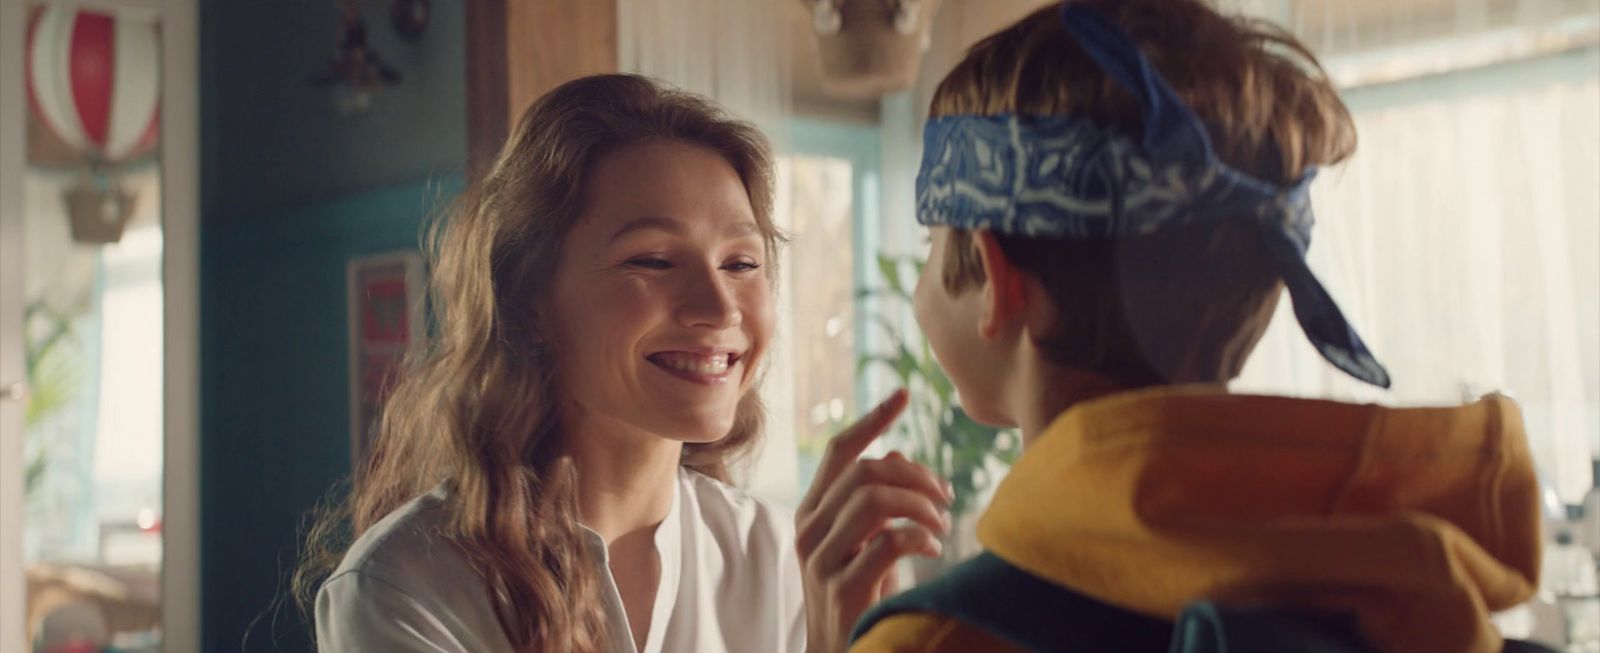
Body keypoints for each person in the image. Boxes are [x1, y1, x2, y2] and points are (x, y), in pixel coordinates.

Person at [845, 2, 1547, 652]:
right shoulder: (1414, 591)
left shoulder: (938, 640)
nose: (924, 271)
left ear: (999, 282)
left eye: (935, 239)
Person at [294, 74, 951, 653]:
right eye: (654, 260)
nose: (719, 306)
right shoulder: (404, 586)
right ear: (529, 299)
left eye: (742, 263)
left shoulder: (782, 560)